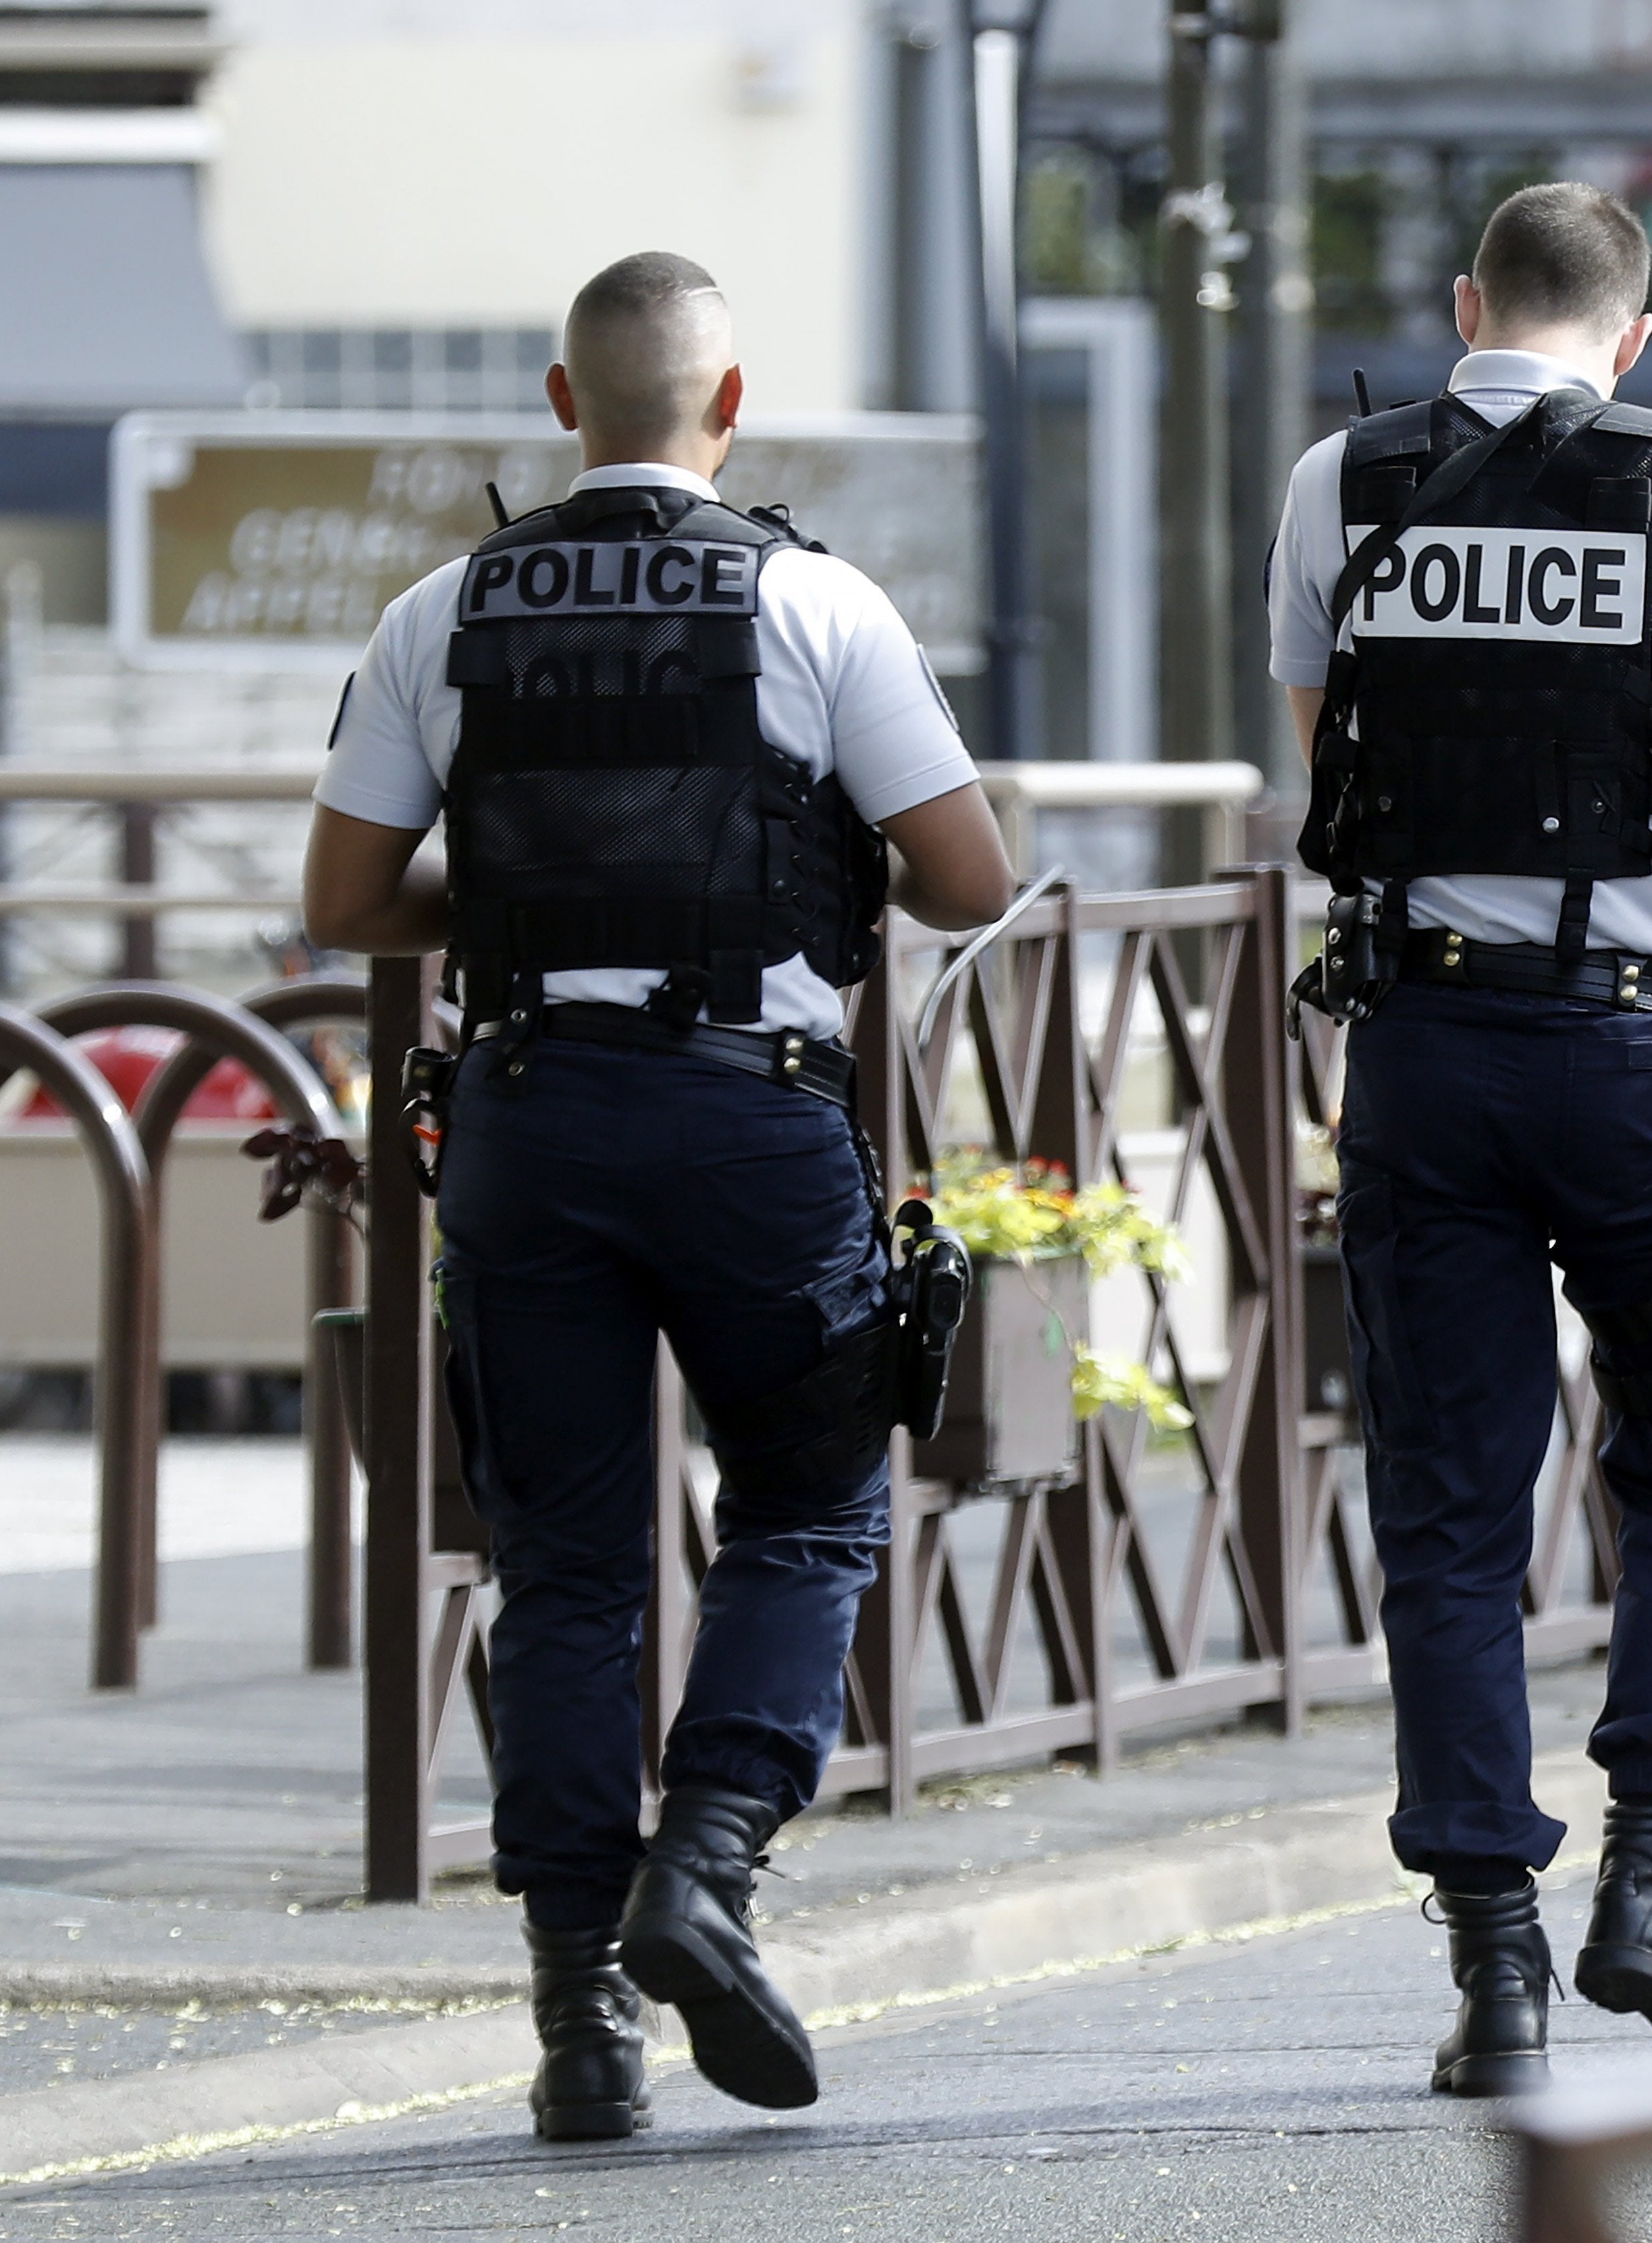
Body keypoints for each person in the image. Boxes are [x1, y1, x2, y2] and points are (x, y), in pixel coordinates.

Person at [302, 251, 1014, 2137]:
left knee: (562, 1565)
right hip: (751, 1120)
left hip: (530, 1120)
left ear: (560, 404)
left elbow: (349, 902)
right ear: (732, 401)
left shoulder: (436, 613)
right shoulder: (817, 603)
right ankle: (703, 1864)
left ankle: (576, 2023)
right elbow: (972, 879)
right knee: (803, 1506)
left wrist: (531, 912)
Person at [1271, 182, 1652, 2094]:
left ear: (1466, 306)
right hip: (1638, 1058)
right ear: (1628, 337)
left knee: (1450, 1516)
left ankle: (1496, 1969)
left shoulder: (1340, 481)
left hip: (1425, 1052)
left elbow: (1330, 776)